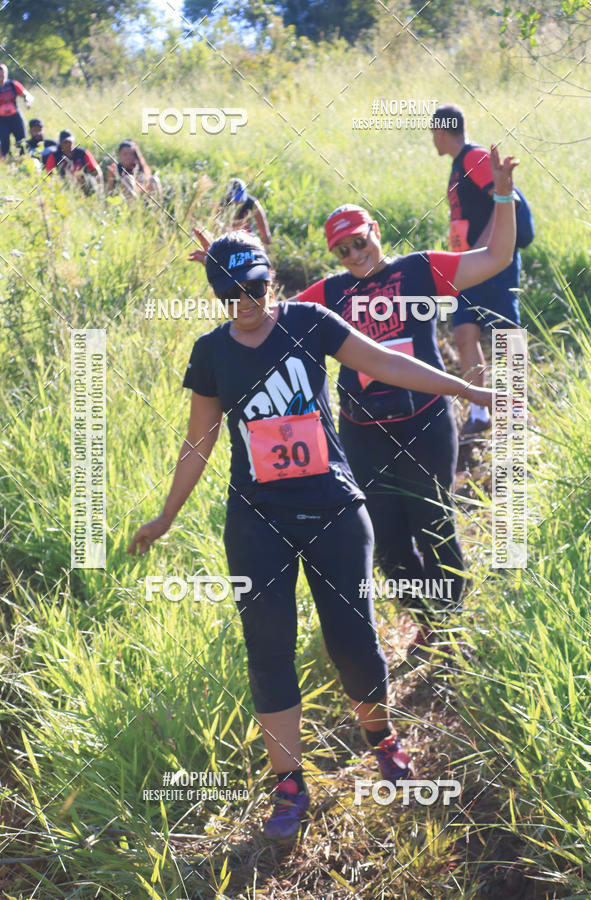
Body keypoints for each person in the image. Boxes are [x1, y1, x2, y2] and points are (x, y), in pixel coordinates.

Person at [128, 230, 493, 841]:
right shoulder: (211, 353)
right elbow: (199, 442)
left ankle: (382, 741)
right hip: (257, 517)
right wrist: (165, 516)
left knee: (352, 636)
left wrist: (461, 386)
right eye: (229, 293)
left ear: (271, 281)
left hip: (333, 507)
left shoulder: (311, 322)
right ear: (215, 294)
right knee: (268, 649)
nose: (243, 303)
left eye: (253, 288)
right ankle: (288, 785)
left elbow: (385, 362)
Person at [290, 145, 518, 638]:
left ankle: (452, 630)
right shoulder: (327, 294)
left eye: (357, 241)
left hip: (427, 424)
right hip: (363, 434)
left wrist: (502, 197)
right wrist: (227, 273)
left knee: (434, 527)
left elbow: (496, 257)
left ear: (374, 232)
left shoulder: (417, 270)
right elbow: (269, 320)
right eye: (342, 251)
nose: (353, 255)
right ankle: (429, 623)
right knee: (389, 544)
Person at [432, 104, 524, 441]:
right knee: (464, 335)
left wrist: (485, 253)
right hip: (466, 269)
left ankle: (515, 414)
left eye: (433, 133)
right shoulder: (459, 165)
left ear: (441, 132)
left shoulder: (475, 157)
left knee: (505, 336)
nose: (433, 140)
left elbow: (507, 199)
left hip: (492, 265)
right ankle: (480, 414)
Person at [189, 178, 271, 263]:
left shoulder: (253, 204)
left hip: (247, 239)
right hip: (227, 239)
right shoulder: (222, 203)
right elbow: (213, 226)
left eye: (240, 200)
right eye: (236, 200)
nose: (238, 202)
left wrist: (268, 251)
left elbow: (264, 231)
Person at [0, 64, 33, 158]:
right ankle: (6, 162)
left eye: (2, 75)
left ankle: (23, 160)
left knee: (22, 141)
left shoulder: (13, 84)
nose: (1, 77)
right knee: (4, 141)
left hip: (15, 117)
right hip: (2, 120)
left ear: (6, 74)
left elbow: (27, 95)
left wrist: (27, 102)